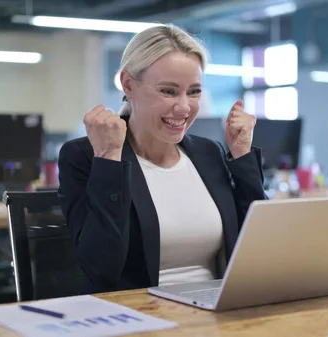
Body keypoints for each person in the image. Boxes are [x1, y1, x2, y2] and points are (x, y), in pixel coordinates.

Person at [57, 24, 267, 294]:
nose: (184, 107)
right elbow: (101, 271)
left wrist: (242, 155)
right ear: (129, 84)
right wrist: (109, 158)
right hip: (140, 315)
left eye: (194, 92)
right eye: (168, 91)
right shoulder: (86, 156)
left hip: (215, 311)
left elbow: (260, 251)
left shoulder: (209, 153)